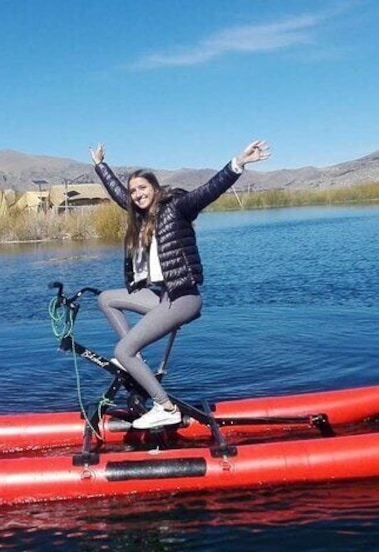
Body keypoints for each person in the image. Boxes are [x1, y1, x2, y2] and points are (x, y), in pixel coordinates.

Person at [89, 140, 271, 429]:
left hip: (183, 296)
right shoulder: (141, 214)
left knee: (121, 352)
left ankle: (165, 406)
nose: (136, 194)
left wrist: (238, 163)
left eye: (142, 188)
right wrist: (100, 166)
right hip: (162, 297)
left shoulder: (177, 207)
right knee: (106, 299)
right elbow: (117, 194)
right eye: (133, 190)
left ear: (155, 187)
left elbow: (210, 190)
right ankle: (135, 358)